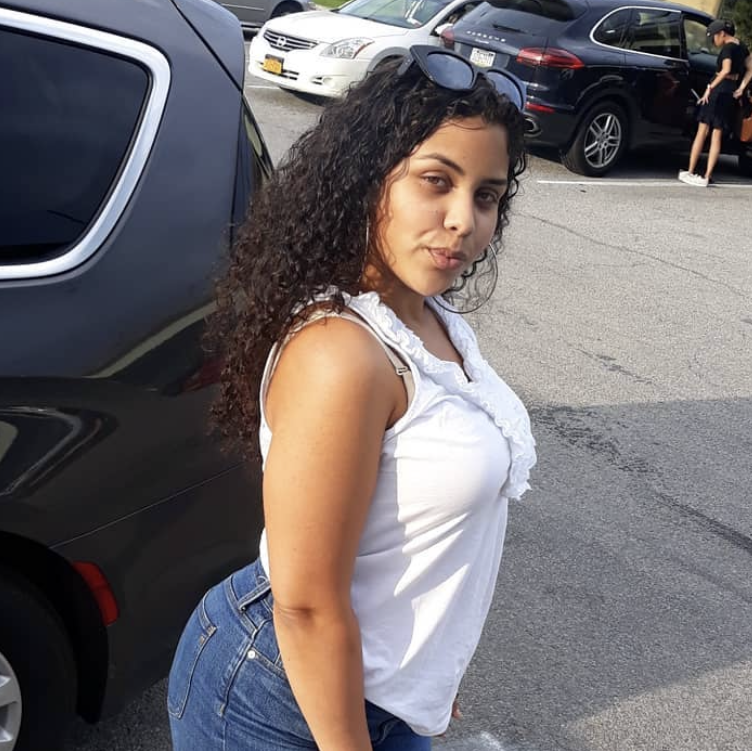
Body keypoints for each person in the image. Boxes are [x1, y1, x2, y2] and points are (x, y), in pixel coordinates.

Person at [167, 45, 537, 751]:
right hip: (277, 692)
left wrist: (428, 665)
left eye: (486, 195)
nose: (464, 219)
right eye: (437, 181)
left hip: (379, 689)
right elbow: (306, 604)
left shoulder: (424, 318)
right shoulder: (341, 353)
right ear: (370, 179)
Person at [679, 19, 752, 187]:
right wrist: (741, 88)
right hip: (730, 91)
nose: (714, 41)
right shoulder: (741, 46)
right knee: (717, 134)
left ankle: (690, 171)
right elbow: (750, 68)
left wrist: (709, 88)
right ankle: (707, 175)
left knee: (702, 130)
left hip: (718, 90)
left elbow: (725, 70)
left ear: (722, 34)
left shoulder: (727, 49)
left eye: (714, 37)